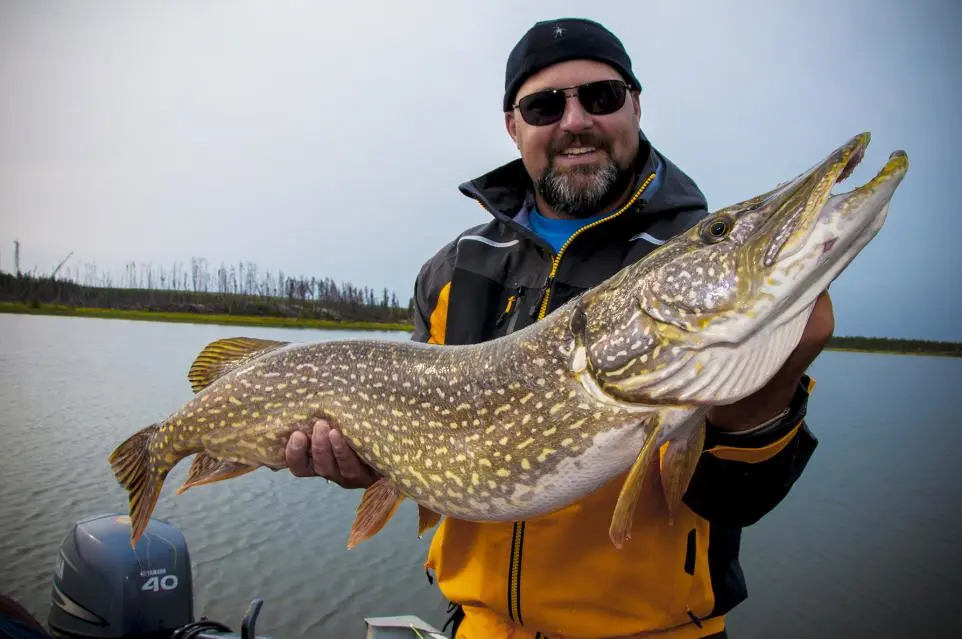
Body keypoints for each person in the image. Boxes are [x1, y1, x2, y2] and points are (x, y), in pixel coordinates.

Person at [286, 17, 832, 639]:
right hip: (480, 627)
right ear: (514, 126)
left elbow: (743, 499)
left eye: (600, 97)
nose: (575, 122)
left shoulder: (692, 260)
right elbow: (418, 438)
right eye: (545, 105)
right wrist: (371, 459)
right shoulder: (452, 268)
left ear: (635, 105)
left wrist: (772, 384)